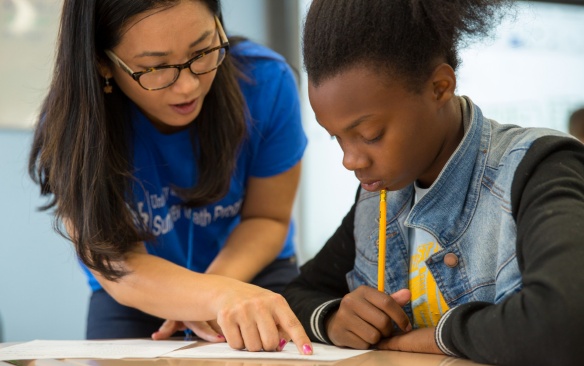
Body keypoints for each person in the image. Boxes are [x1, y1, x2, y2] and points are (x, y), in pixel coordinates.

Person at [283, 0, 584, 365]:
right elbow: (295, 293)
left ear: (440, 87)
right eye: (336, 138)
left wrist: (438, 337)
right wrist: (333, 319)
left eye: (370, 134)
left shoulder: (538, 169)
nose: (351, 160)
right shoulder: (379, 197)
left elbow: (563, 321)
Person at [28, 0, 313, 354]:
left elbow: (266, 218)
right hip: (136, 291)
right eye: (156, 67)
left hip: (251, 275)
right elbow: (117, 263)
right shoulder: (75, 128)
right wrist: (207, 298)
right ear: (102, 62)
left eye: (204, 50)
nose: (188, 86)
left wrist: (211, 295)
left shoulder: (266, 82)